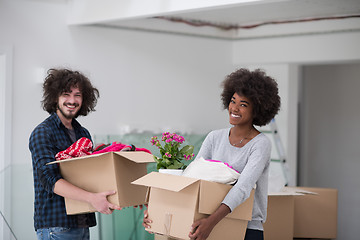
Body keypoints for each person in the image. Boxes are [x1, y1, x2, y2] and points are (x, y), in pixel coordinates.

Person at [143, 68, 281, 240]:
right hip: (209, 223)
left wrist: (211, 222)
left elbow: (242, 188)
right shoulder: (214, 137)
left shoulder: (261, 144)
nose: (235, 108)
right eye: (233, 101)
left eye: (243, 104)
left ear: (258, 110)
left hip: (246, 227)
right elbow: (192, 179)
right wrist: (157, 209)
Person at [29, 68, 122, 240]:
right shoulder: (42, 133)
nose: (72, 100)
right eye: (66, 94)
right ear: (55, 97)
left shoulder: (83, 133)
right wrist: (92, 198)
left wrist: (120, 195)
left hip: (82, 223)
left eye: (77, 95)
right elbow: (49, 180)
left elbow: (89, 176)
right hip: (56, 227)